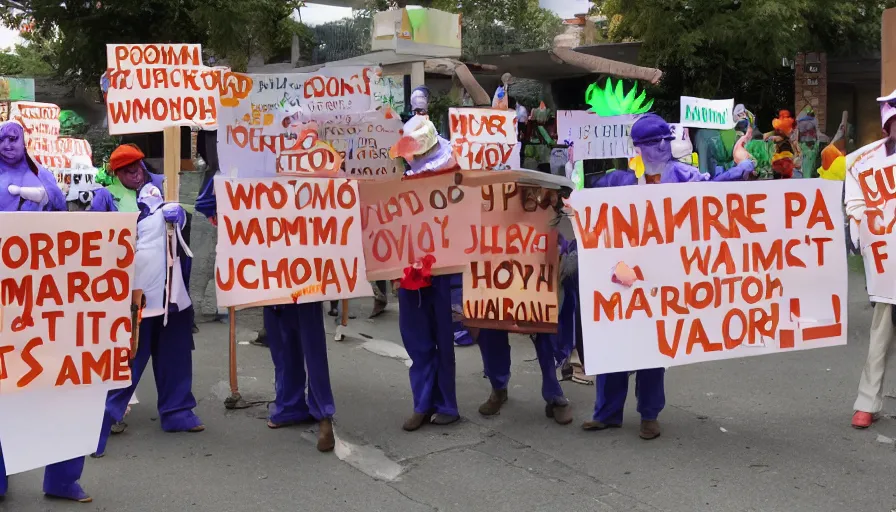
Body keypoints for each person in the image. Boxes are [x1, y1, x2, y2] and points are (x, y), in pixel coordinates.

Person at [583, 114, 753, 440]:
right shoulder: (621, 179)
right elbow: (588, 198)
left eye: (657, 142)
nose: (652, 150)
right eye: (645, 144)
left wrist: (738, 171)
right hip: (619, 272)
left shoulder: (685, 176)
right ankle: (606, 413)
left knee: (651, 346)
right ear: (637, 147)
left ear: (667, 142)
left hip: (662, 276)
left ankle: (649, 414)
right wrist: (572, 199)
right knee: (613, 341)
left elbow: (711, 195)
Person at [195, 165, 336, 452]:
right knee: (286, 342)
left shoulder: (312, 160)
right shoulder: (239, 162)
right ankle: (292, 406)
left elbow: (337, 196)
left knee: (307, 342)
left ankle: (320, 413)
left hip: (301, 267)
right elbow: (207, 202)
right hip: (270, 271)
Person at [91, 144, 204, 457]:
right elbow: (93, 241)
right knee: (129, 354)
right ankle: (106, 415)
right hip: (130, 294)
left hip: (171, 289)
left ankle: (178, 411)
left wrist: (180, 218)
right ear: (116, 173)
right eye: (126, 169)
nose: (134, 172)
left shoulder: (164, 186)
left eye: (137, 165)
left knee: (176, 351)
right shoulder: (105, 197)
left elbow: (184, 227)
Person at [0, 120, 91, 503]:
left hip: (45, 295)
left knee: (60, 380)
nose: (7, 144)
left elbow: (61, 208)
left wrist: (43, 197)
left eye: (13, 137)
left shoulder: (44, 176)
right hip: (4, 297)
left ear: (25, 141)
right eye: (1, 138)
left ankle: (62, 478)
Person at [390, 115, 461, 431]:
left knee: (444, 338)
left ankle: (447, 404)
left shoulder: (455, 171)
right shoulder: (405, 176)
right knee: (416, 338)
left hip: (445, 269)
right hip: (409, 268)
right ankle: (423, 402)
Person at [847, 91, 896, 429]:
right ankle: (867, 402)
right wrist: (858, 223)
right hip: (888, 263)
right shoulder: (864, 162)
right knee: (880, 332)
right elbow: (857, 201)